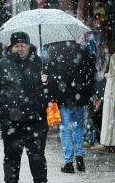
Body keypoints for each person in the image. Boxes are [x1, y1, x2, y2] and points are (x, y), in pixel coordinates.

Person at [0, 31, 51, 183]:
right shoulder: (1, 65)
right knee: (11, 158)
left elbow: (52, 94)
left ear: (29, 46)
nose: (20, 49)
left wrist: (47, 83)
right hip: (11, 121)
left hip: (37, 121)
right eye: (16, 46)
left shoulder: (40, 64)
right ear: (11, 47)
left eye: (23, 45)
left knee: (38, 158)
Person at [44, 41, 96, 173]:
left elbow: (51, 77)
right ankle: (79, 157)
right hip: (80, 96)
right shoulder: (82, 50)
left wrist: (50, 90)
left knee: (65, 129)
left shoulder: (52, 51)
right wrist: (88, 92)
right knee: (78, 126)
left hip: (63, 96)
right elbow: (91, 72)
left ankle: (68, 162)